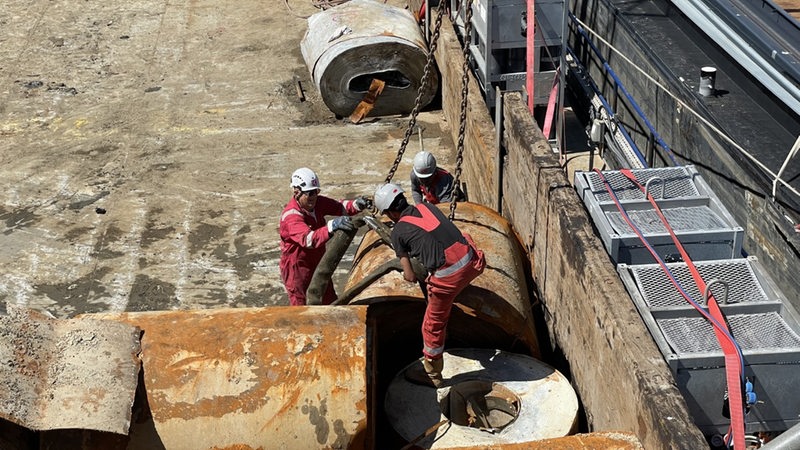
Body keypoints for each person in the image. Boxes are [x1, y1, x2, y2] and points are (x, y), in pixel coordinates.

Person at [373, 183, 485, 387]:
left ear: (389, 212)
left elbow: (410, 276)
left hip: (450, 277)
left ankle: (432, 375)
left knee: (432, 324)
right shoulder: (427, 206)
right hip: (472, 261)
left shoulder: (398, 232)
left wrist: (408, 263)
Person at [279, 167, 368, 306]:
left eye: (315, 192)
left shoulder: (316, 203)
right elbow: (308, 240)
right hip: (298, 268)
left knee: (328, 299)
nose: (313, 197)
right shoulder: (291, 216)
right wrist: (332, 226)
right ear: (296, 192)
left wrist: (356, 205)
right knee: (301, 308)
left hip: (317, 262)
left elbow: (339, 207)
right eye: (309, 193)